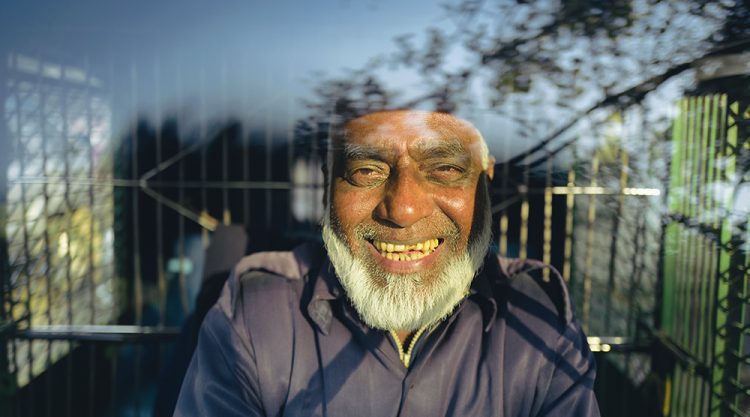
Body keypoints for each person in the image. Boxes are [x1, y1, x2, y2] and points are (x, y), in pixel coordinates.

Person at [174, 110, 600, 416]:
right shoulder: (256, 317)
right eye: (366, 171)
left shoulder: (538, 322)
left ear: (484, 184)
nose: (404, 209)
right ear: (328, 185)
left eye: (446, 168)